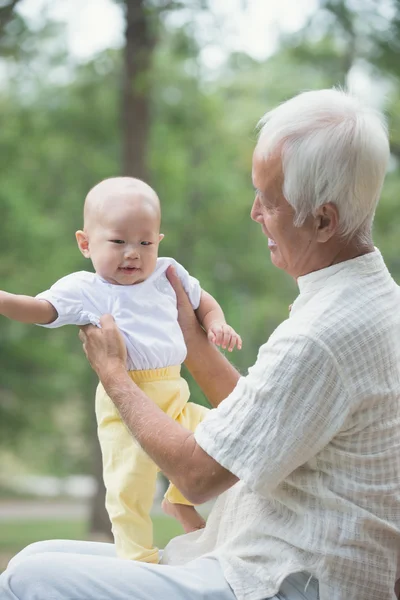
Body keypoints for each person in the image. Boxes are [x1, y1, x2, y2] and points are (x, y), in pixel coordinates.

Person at [1, 87, 400, 600]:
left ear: (322, 220)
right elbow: (262, 423)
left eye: (270, 201)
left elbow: (196, 476)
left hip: (280, 579)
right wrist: (193, 337)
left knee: (22, 578)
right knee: (38, 557)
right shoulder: (370, 303)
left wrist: (116, 378)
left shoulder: (321, 334)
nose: (255, 213)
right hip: (264, 553)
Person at [0, 177, 242, 563]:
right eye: (118, 242)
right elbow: (36, 308)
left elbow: (204, 302)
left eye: (145, 242)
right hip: (125, 405)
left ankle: (178, 502)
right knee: (128, 485)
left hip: (174, 393)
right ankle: (137, 559)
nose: (133, 253)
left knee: (226, 437)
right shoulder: (85, 288)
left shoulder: (167, 274)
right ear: (85, 243)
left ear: (158, 241)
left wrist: (216, 323)